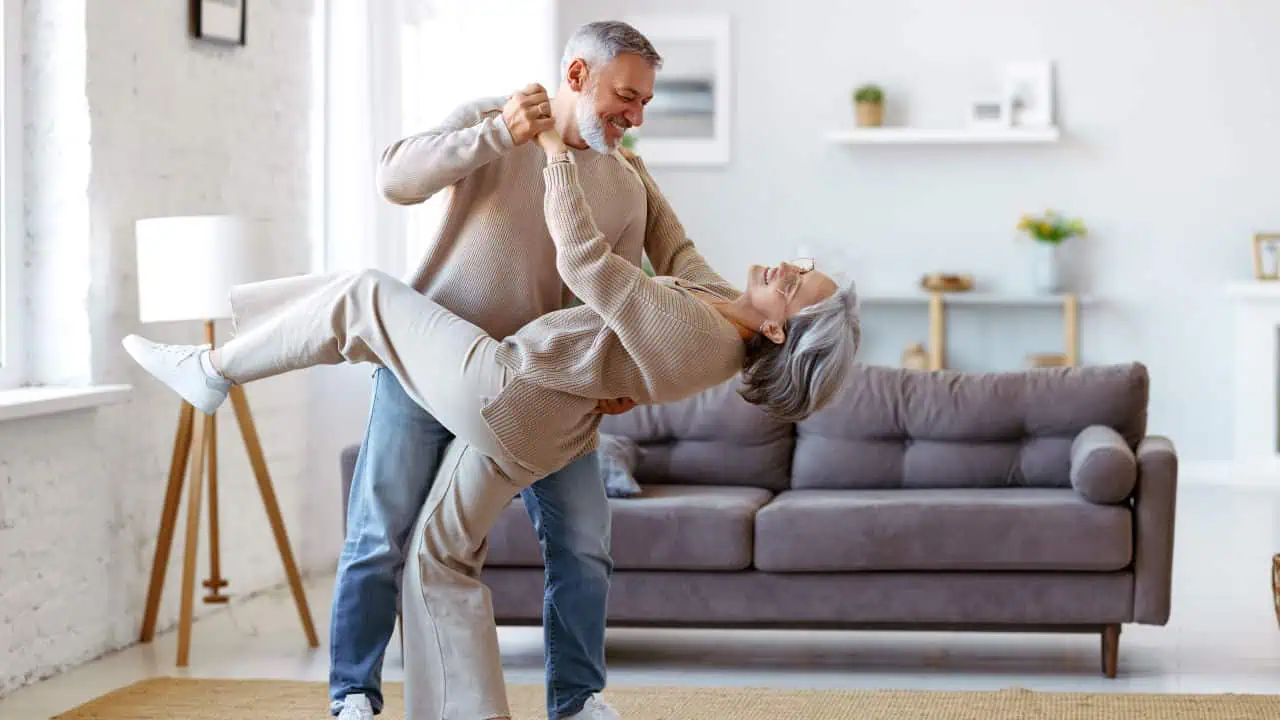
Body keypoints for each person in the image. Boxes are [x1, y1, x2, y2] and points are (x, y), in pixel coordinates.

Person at [121, 124, 862, 719]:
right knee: (438, 554)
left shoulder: (699, 337)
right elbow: (672, 241)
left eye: (796, 286)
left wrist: (551, 154)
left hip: (506, 390)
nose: (783, 269)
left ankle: (214, 371)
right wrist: (629, 163)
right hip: (543, 416)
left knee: (364, 297)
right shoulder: (719, 304)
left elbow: (588, 264)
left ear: (778, 334)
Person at [336, 20, 667, 720]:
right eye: (626, 96)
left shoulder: (625, 186)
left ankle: (576, 700)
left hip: (543, 389)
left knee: (583, 543)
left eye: (643, 103)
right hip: (427, 367)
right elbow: (394, 178)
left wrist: (614, 378)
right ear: (576, 75)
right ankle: (353, 695)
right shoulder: (493, 122)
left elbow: (614, 298)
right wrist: (498, 135)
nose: (636, 116)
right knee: (380, 532)